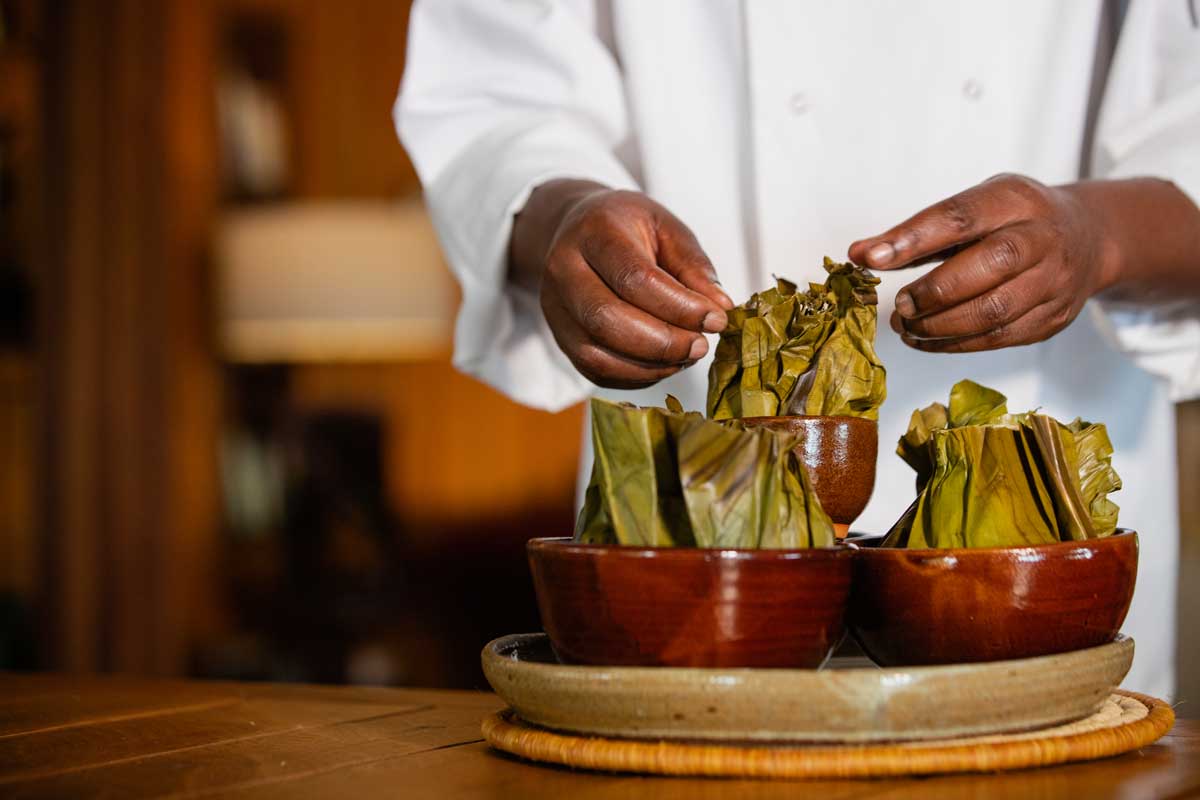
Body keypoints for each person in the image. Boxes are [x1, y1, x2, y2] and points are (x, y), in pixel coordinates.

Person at [395, 1, 1200, 699]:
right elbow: (494, 95)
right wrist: (565, 213)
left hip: (1030, 555)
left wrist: (1100, 238)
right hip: (690, 557)